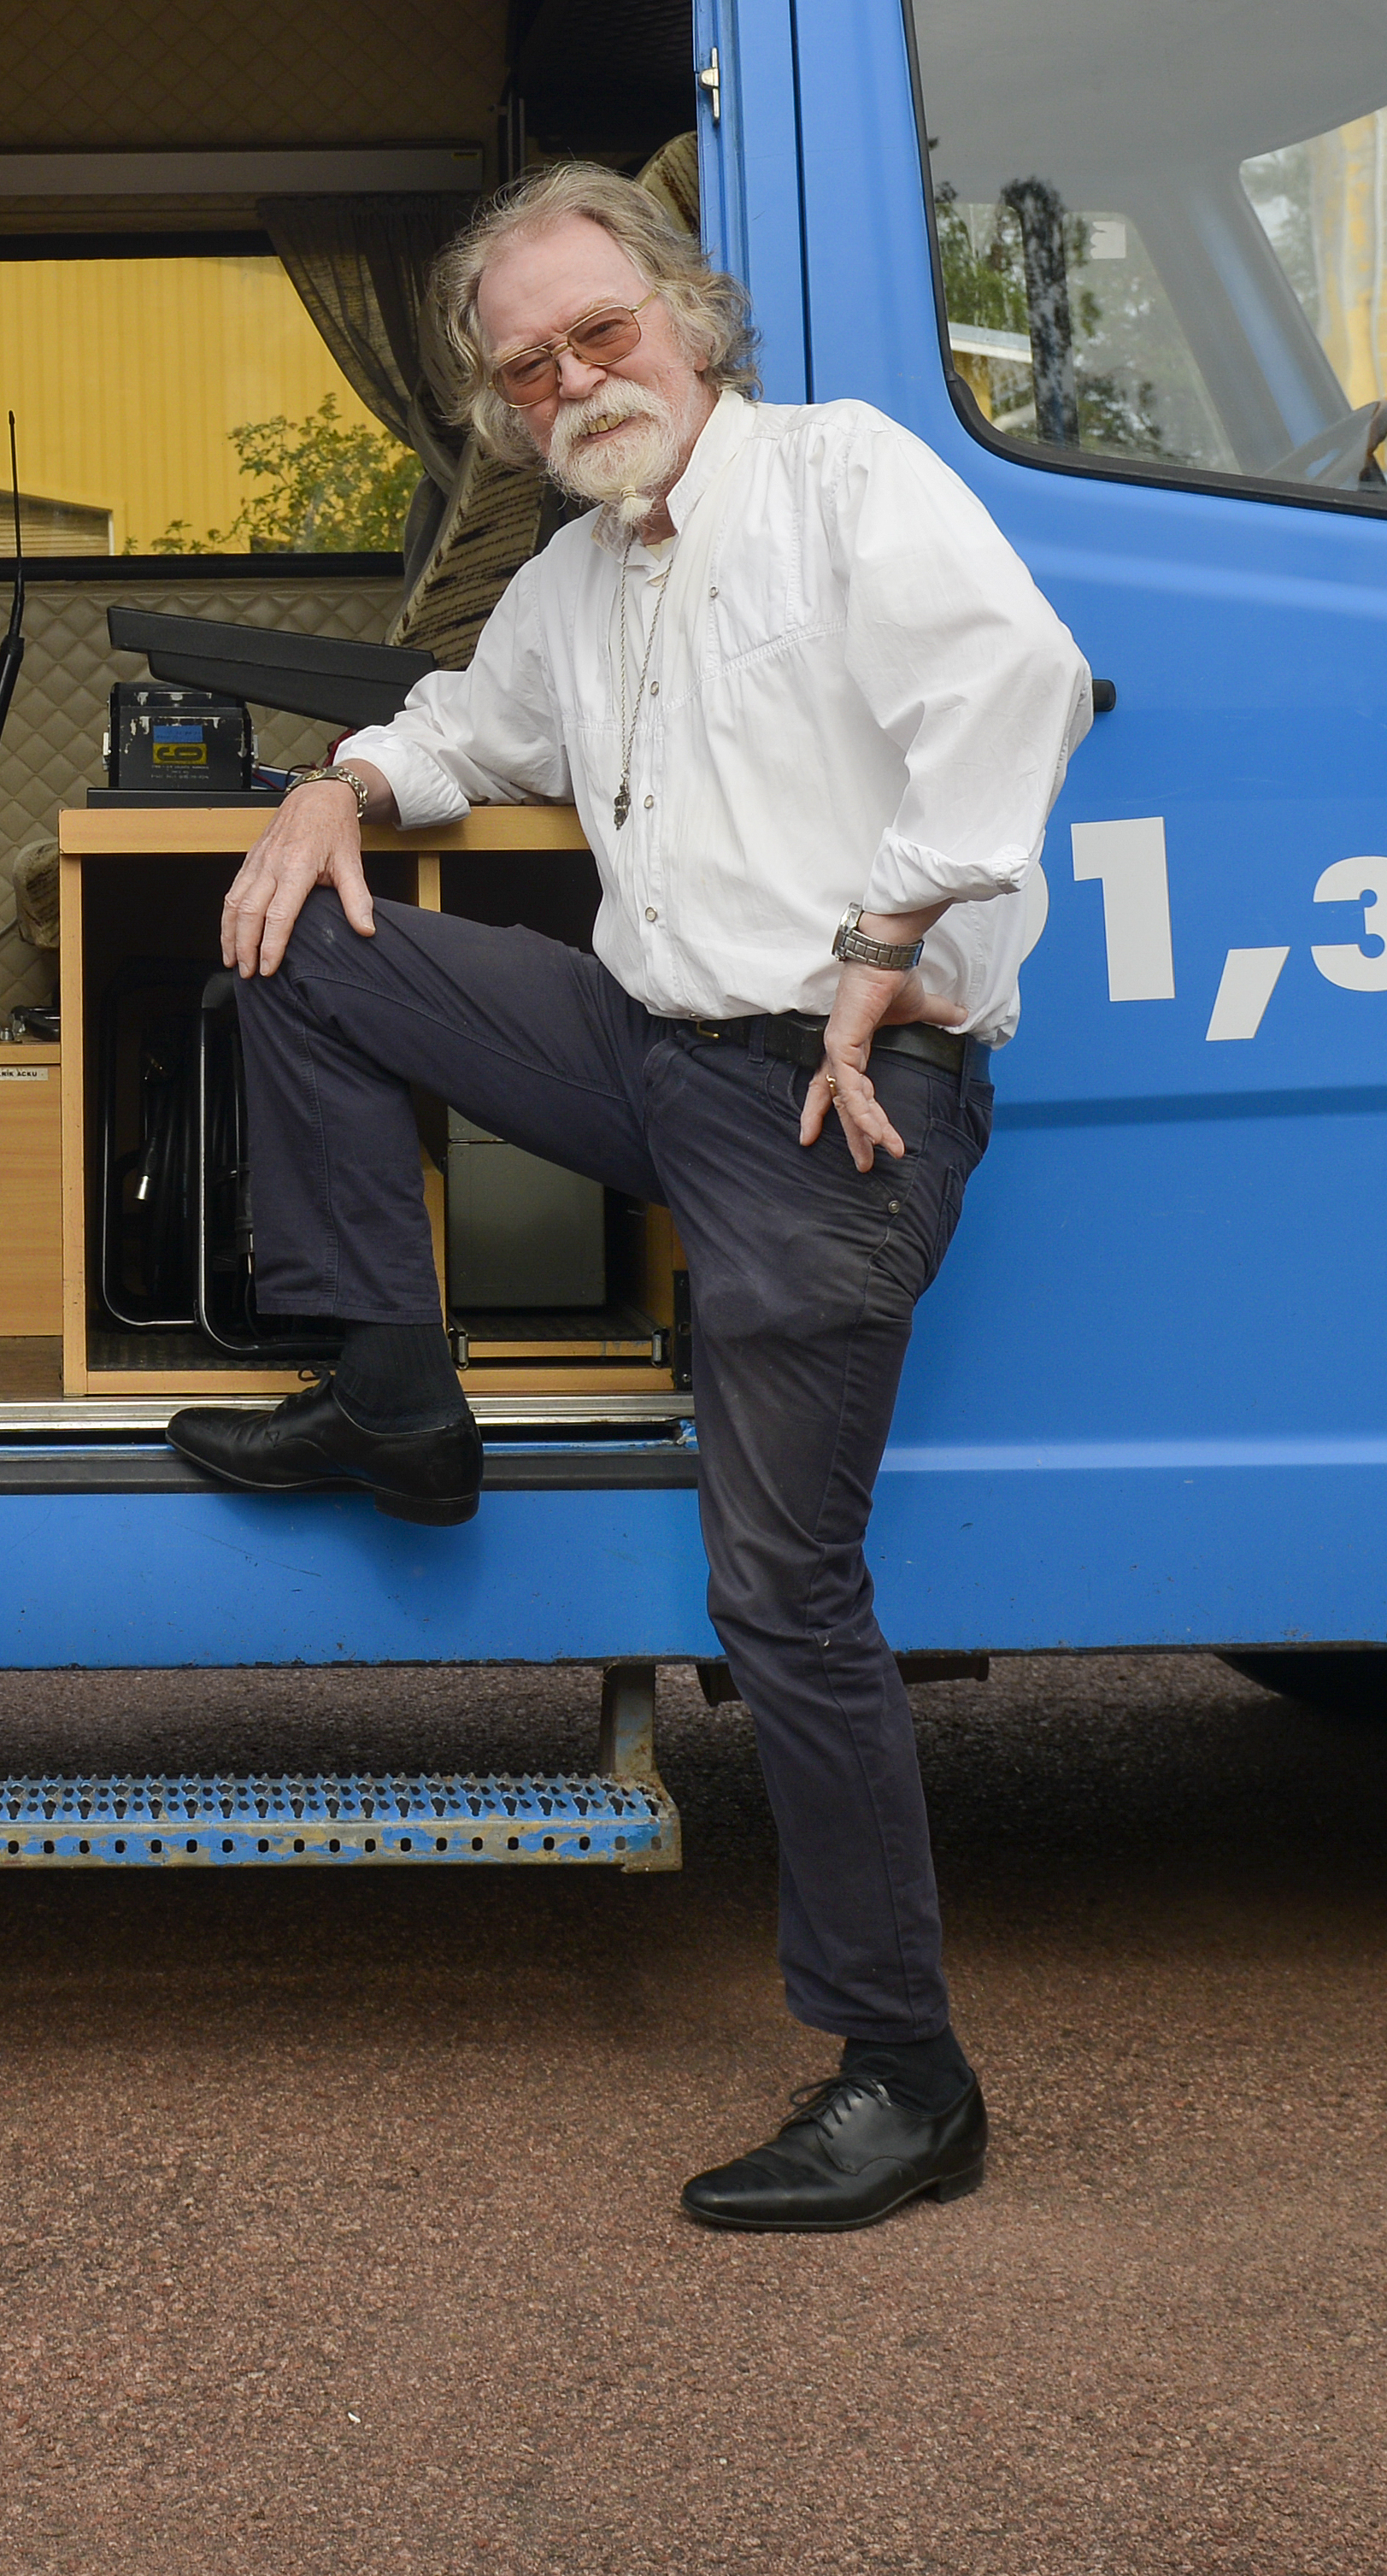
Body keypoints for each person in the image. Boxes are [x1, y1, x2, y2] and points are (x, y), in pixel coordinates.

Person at [171, 159, 1096, 2234]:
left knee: (781, 1599)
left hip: (835, 1099)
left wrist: (886, 924)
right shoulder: (577, 577)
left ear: (685, 313)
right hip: (648, 1048)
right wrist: (329, 785)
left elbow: (1015, 680)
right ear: (504, 413)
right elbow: (452, 732)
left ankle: (904, 2071)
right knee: (292, 938)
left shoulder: (842, 475)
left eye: (598, 332)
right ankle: (395, 1392)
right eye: (525, 368)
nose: (572, 379)